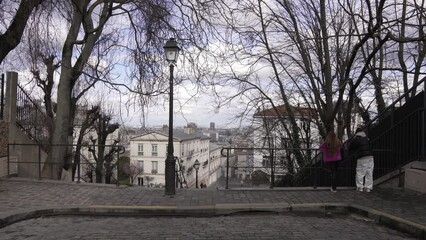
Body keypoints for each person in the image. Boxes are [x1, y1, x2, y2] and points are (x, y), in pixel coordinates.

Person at [349, 128, 374, 192]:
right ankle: (368, 187)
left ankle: (360, 187)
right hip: (370, 156)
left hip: (361, 157)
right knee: (369, 172)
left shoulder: (356, 139)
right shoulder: (367, 139)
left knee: (360, 172)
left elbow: (350, 147)